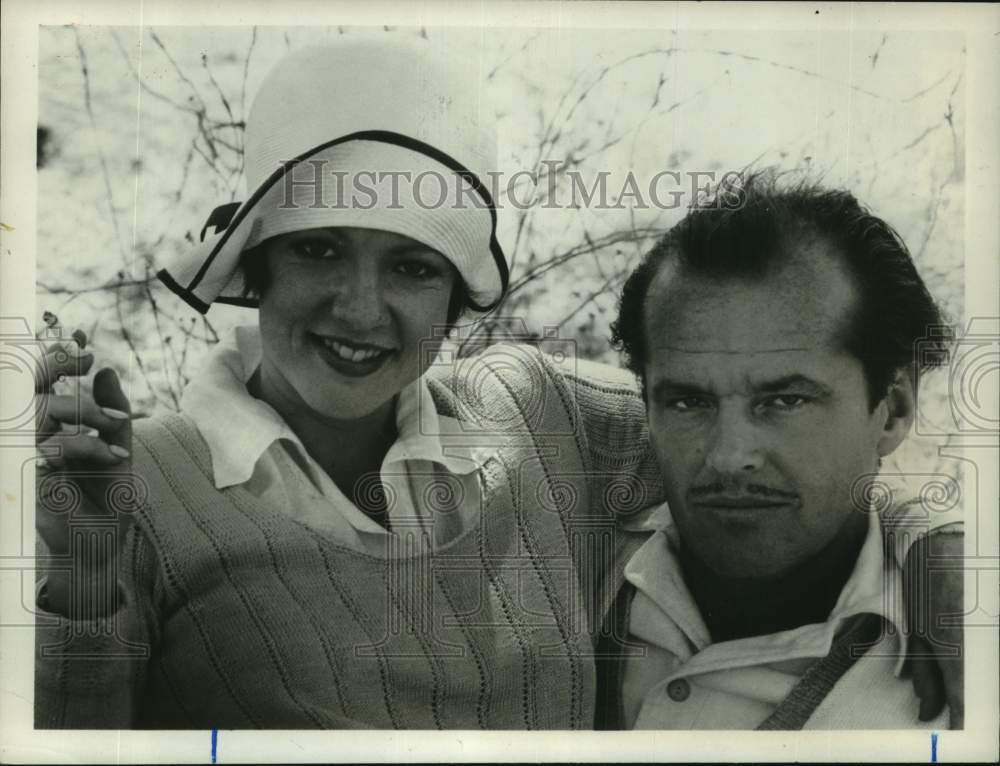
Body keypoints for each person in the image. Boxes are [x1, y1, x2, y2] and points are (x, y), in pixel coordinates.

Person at [33, 38, 961, 729]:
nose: (362, 309)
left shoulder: (540, 416)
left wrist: (938, 552)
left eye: (412, 267)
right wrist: (80, 585)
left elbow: (778, 447)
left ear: (451, 296)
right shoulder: (126, 484)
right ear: (257, 266)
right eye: (320, 251)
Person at [595, 172, 963, 729]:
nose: (728, 455)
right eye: (688, 402)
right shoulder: (567, 563)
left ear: (893, 410)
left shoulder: (966, 676)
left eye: (785, 400)